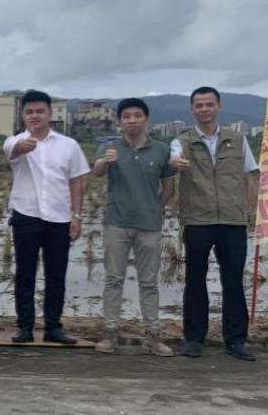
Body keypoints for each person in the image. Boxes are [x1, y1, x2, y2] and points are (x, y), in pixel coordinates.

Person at [170, 86, 259, 361]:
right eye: (199, 105)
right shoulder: (183, 141)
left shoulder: (237, 139)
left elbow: (248, 176)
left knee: (233, 280)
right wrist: (176, 162)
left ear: (219, 106)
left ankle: (236, 340)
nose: (204, 109)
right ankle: (194, 339)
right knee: (195, 279)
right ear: (192, 109)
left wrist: (247, 211)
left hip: (232, 221)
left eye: (209, 104)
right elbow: (174, 158)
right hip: (198, 220)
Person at [4, 90, 89, 345]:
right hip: (26, 215)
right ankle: (25, 327)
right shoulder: (15, 141)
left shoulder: (68, 145)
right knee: (25, 274)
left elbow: (76, 181)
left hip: (59, 218)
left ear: (50, 113)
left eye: (40, 111)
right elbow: (11, 150)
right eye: (29, 112)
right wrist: (21, 147)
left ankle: (53, 326)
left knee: (56, 274)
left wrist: (76, 215)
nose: (35, 116)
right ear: (22, 115)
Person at [90, 98, 175, 356]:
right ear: (120, 121)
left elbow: (169, 187)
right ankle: (110, 334)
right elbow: (97, 172)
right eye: (126, 116)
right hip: (116, 223)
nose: (132, 120)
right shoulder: (109, 147)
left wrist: (156, 209)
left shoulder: (161, 150)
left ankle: (152, 335)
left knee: (148, 282)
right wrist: (105, 161)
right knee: (113, 279)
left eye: (137, 115)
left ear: (146, 119)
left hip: (149, 226)